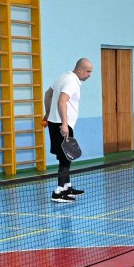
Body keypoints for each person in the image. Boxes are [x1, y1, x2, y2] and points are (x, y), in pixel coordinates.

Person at [46, 58, 93, 203]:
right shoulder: (71, 82)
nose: (89, 75)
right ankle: (58, 192)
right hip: (62, 124)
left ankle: (67, 187)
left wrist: (48, 113)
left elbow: (48, 94)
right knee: (65, 158)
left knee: (66, 156)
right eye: (88, 71)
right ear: (79, 69)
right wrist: (65, 124)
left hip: (55, 122)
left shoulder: (63, 76)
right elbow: (62, 100)